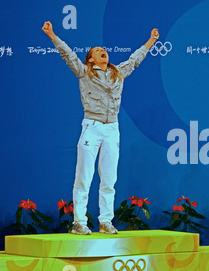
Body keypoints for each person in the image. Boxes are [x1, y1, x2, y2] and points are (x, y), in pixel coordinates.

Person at [42, 21, 159, 235]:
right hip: (92, 127)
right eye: (97, 51)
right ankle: (79, 222)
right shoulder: (84, 72)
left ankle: (105, 221)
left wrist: (151, 41)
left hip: (112, 129)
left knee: (109, 178)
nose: (103, 51)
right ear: (90, 59)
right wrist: (52, 35)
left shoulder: (118, 73)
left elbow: (135, 60)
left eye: (103, 49)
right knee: (84, 176)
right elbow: (67, 54)